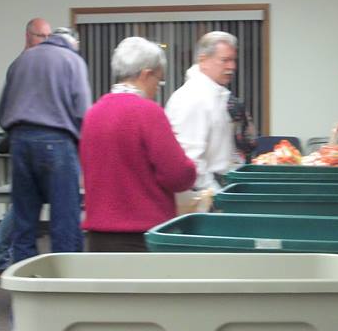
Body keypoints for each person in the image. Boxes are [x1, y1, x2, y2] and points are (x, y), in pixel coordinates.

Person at [80, 37, 196, 251]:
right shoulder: (148, 113)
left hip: (98, 239)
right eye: (158, 81)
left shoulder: (92, 114)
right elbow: (178, 175)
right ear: (145, 74)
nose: (157, 88)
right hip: (141, 238)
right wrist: (191, 166)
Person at [0, 17, 91, 264]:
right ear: (72, 44)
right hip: (57, 143)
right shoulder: (73, 60)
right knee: (64, 219)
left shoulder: (22, 60)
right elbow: (83, 112)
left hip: (19, 142)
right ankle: (65, 287)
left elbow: (1, 111)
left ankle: (26, 286)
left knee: (24, 220)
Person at [0, 18, 52, 282]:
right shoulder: (23, 66)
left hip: (36, 143)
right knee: (25, 204)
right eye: (40, 36)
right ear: (28, 36)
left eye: (48, 37)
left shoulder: (37, 65)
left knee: (26, 203)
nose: (46, 42)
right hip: (28, 144)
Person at [165, 31, 239, 193]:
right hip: (203, 193)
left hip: (215, 185)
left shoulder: (213, 94)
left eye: (233, 60)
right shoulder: (193, 97)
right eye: (225, 60)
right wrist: (215, 195)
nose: (232, 67)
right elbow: (191, 161)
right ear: (203, 60)